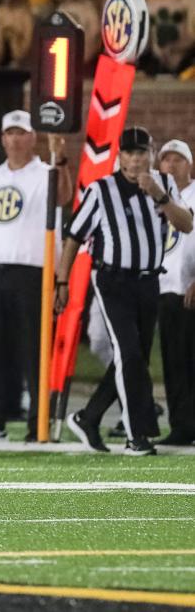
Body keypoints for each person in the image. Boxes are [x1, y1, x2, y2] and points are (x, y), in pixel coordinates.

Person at [61, 127, 193, 456]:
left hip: (149, 281)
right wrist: (61, 282)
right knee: (130, 354)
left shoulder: (162, 185)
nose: (135, 159)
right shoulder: (101, 190)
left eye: (141, 152)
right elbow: (74, 236)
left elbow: (186, 224)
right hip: (112, 281)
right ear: (120, 156)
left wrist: (161, 197)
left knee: (133, 358)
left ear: (150, 154)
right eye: (129, 153)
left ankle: (88, 417)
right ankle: (137, 436)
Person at [0, 110, 72, 441]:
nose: (15, 139)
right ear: (3, 138)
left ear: (33, 137)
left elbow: (63, 197)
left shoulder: (46, 172)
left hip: (32, 269)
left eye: (21, 133)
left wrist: (61, 159)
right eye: (10, 133)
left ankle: (39, 422)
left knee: (34, 349)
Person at [155, 139, 195, 445]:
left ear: (189, 165)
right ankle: (181, 425)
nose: (171, 165)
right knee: (173, 362)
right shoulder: (155, 196)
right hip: (162, 288)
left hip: (188, 286)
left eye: (178, 159)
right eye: (166, 160)